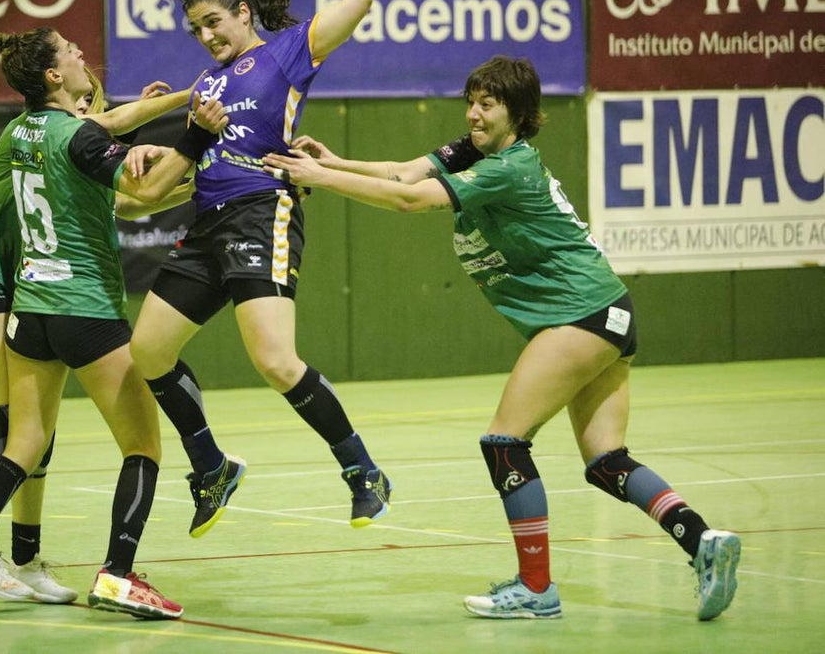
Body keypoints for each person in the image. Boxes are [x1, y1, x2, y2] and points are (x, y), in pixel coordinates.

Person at [262, 55, 741, 622]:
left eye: (487, 104)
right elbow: (402, 173)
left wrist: (317, 179)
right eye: (471, 101)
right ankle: (702, 542)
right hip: (607, 312)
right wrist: (336, 161)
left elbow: (410, 201)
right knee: (607, 460)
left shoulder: (506, 168)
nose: (473, 114)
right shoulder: (475, 152)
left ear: (518, 114)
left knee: (504, 444)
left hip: (580, 315)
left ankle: (536, 588)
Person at [0, 25, 227, 619]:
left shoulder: (21, 130)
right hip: (81, 307)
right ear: (54, 77)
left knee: (23, 441)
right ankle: (118, 574)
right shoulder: (81, 137)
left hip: (30, 309)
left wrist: (167, 117)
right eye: (70, 51)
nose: (82, 53)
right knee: (142, 444)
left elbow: (112, 149)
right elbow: (143, 179)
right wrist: (196, 135)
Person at [126, 0, 392, 540]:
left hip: (259, 210)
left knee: (274, 360)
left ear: (244, 14)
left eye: (214, 22)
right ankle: (212, 468)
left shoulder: (287, 52)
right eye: (196, 29)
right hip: (207, 222)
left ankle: (363, 471)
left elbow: (358, 0)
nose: (206, 35)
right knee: (148, 351)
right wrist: (148, 152)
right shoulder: (207, 88)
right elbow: (178, 167)